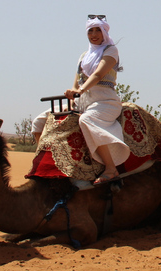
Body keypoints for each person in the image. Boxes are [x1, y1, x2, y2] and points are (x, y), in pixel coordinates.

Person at [32, 15, 130, 185]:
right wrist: (72, 97)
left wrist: (80, 90)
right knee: (39, 122)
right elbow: (76, 82)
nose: (93, 34)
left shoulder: (110, 50)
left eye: (97, 30)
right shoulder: (84, 56)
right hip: (82, 101)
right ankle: (47, 164)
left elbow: (98, 75)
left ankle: (110, 168)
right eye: (90, 30)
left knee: (87, 120)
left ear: (104, 31)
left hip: (105, 101)